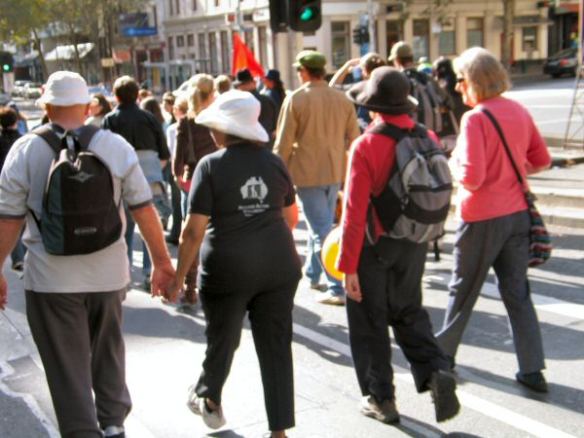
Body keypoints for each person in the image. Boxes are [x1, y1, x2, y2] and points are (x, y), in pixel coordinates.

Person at [0, 70, 175, 438]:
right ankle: (113, 423)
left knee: (67, 366)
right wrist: (161, 263)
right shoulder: (114, 146)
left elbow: (9, 219)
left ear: (46, 106)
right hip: (109, 275)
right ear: (85, 105)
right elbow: (143, 208)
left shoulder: (26, 149)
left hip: (50, 279)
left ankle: (81, 431)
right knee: (108, 350)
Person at [166, 90, 301, 438]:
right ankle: (279, 432)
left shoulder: (210, 165)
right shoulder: (274, 162)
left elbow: (192, 231)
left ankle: (209, 397)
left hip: (227, 268)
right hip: (278, 265)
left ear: (225, 130)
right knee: (276, 347)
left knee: (222, 339)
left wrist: (179, 278)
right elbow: (291, 217)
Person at [338, 66, 460, 425]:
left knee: (369, 321)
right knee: (408, 311)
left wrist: (348, 267)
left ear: (373, 107)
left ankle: (382, 399)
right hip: (414, 241)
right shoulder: (429, 138)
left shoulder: (367, 144)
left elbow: (353, 212)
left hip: (374, 247)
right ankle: (436, 369)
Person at [434, 47, 552, 392]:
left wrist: (451, 162)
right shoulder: (518, 110)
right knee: (517, 293)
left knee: (463, 290)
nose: (458, 88)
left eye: (460, 80)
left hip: (482, 217)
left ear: (474, 80)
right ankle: (532, 369)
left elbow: (471, 177)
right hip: (517, 214)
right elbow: (541, 161)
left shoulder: (475, 119)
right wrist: (510, 171)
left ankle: (443, 358)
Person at [274, 50, 360, 305]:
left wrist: (276, 175)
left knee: (321, 227)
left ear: (303, 71)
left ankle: (336, 286)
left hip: (307, 173)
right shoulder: (341, 99)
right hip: (336, 170)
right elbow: (355, 137)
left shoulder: (296, 99)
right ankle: (313, 272)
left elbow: (283, 143)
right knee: (319, 224)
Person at [102, 76, 171, 290]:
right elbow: (164, 151)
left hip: (119, 174)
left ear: (116, 95)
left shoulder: (111, 119)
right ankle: (151, 271)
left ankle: (125, 271)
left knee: (124, 228)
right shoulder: (149, 118)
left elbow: (104, 151)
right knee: (150, 226)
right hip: (150, 173)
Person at [173, 73, 217, 306]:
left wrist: (179, 179)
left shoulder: (186, 122)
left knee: (190, 236)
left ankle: (190, 288)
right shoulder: (218, 119)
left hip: (192, 182)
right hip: (218, 181)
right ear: (212, 94)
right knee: (218, 232)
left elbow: (177, 161)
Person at [329, 53, 386, 131]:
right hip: (385, 130)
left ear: (364, 71)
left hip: (365, 131)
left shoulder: (360, 87)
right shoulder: (389, 85)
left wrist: (346, 66)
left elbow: (332, 87)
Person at [0, 106, 25, 272]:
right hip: (23, 183)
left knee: (10, 219)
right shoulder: (23, 140)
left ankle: (18, 258)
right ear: (16, 120)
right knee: (24, 222)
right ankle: (25, 255)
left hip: (3, 185)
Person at [165, 95, 189, 245]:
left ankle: (178, 234)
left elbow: (172, 151)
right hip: (191, 168)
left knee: (178, 204)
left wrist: (175, 172)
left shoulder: (174, 128)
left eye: (175, 109)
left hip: (180, 170)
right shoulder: (197, 124)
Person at [233, 68, 277, 149]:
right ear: (253, 83)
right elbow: (276, 126)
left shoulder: (239, 103)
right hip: (268, 147)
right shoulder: (267, 100)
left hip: (248, 149)